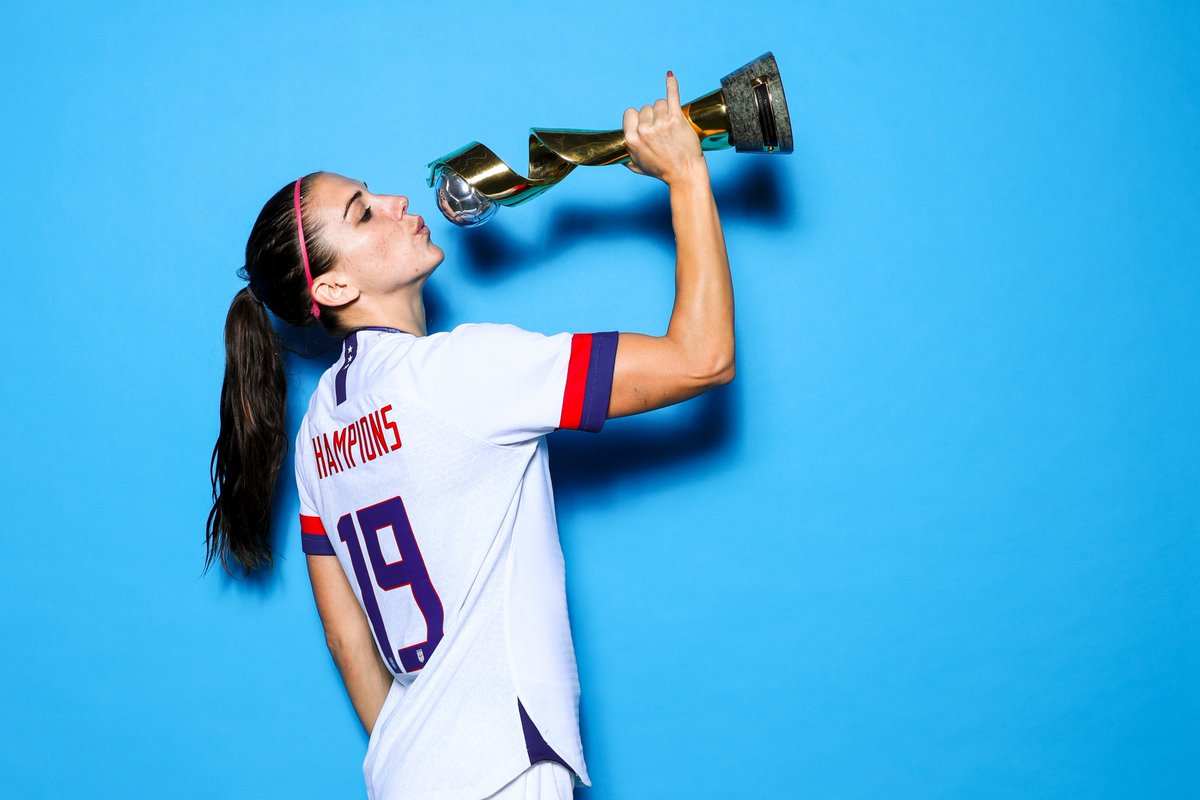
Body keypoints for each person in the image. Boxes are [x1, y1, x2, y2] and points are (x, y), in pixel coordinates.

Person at [207, 72, 734, 800]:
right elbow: (703, 358)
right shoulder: (463, 374)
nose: (396, 202)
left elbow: (344, 638)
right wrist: (684, 173)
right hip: (501, 769)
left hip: (406, 774)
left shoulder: (317, 428)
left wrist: (421, 759)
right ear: (330, 289)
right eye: (363, 214)